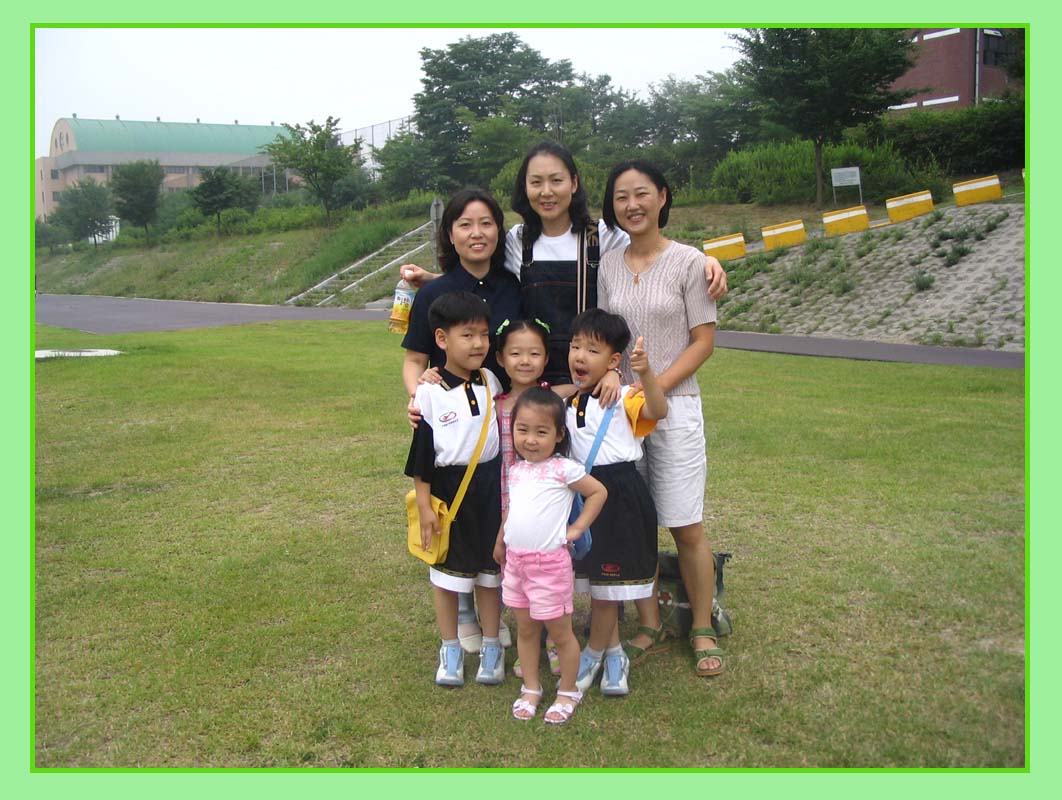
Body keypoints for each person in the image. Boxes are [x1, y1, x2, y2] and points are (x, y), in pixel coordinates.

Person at [402, 141, 728, 385]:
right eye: (536, 182)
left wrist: (706, 261)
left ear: (573, 183)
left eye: (556, 180)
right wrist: (434, 280)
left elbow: (651, 251)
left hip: (591, 381)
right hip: (531, 381)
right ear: (525, 188)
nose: (546, 192)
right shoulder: (516, 241)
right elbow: (480, 273)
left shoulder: (604, 236)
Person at [598, 159, 724, 677]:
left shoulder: (691, 262)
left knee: (685, 523)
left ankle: (701, 626)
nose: (632, 204)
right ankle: (649, 625)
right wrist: (616, 376)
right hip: (623, 413)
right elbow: (605, 336)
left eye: (642, 193)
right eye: (621, 196)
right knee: (636, 521)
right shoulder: (608, 265)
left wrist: (654, 387)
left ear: (663, 197)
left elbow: (703, 342)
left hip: (674, 407)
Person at [401, 188, 519, 655]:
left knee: (491, 513)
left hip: (498, 414)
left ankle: (491, 613)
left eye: (486, 223)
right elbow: (415, 359)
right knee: (454, 509)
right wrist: (418, 395)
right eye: (465, 224)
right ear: (449, 234)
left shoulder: (513, 286)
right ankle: (464, 611)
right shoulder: (432, 293)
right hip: (449, 414)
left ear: (499, 231)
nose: (477, 233)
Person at [404, 291, 506, 687]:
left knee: (490, 574)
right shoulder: (429, 391)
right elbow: (422, 455)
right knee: (446, 576)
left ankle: (492, 646)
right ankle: (450, 648)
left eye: (483, 334)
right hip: (449, 491)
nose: (478, 343)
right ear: (442, 339)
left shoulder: (491, 380)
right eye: (467, 335)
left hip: (490, 488)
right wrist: (425, 506)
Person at [565, 309, 669, 697]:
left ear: (613, 361)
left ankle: (593, 653)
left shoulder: (626, 397)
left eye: (592, 350)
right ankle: (613, 656)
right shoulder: (568, 402)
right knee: (598, 583)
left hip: (620, 497)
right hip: (584, 498)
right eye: (575, 346)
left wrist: (644, 373)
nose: (580, 356)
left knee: (609, 583)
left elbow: (658, 410)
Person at [493, 388, 607, 724]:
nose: (530, 440)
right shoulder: (516, 470)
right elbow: (512, 511)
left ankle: (568, 692)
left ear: (558, 435)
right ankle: (531, 688)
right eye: (522, 430)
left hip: (549, 566)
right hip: (516, 563)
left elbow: (598, 492)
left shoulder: (563, 469)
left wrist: (577, 528)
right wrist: (501, 541)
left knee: (560, 633)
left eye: (541, 432)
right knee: (526, 630)